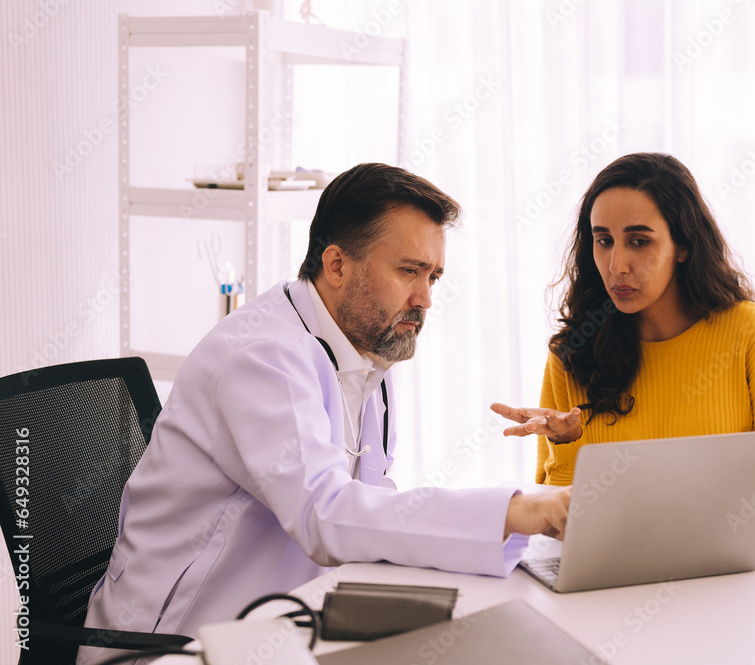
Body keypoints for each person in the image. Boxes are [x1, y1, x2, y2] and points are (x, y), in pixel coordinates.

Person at [79, 164, 569, 664]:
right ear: (336, 265)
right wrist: (509, 512)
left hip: (286, 625)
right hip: (176, 644)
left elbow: (371, 502)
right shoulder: (261, 356)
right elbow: (326, 512)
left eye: (433, 276)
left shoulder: (365, 353)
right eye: (408, 271)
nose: (424, 300)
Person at [492, 152, 755, 513]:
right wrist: (567, 441)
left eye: (639, 241)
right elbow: (560, 518)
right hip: (626, 569)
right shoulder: (572, 351)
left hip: (748, 568)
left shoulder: (747, 331)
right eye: (603, 240)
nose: (616, 265)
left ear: (683, 246)